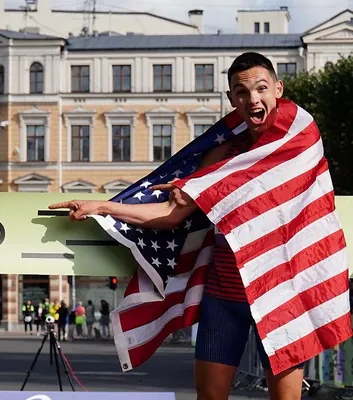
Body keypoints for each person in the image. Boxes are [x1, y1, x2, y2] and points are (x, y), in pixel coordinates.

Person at [49, 52, 305, 400]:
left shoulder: (301, 141)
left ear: (278, 88)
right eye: (241, 92)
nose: (252, 99)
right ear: (232, 99)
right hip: (225, 294)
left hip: (279, 292)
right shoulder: (221, 155)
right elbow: (171, 214)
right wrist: (102, 206)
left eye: (261, 88)